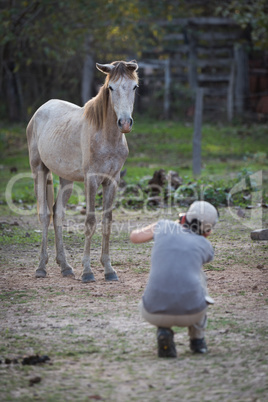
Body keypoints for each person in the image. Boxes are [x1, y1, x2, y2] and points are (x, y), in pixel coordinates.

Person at [130, 200, 218, 358]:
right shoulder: (205, 245)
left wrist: (165, 225)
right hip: (193, 313)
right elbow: (201, 254)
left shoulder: (164, 226)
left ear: (185, 216)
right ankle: (197, 340)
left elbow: (135, 237)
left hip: (152, 311)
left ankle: (163, 329)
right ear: (208, 229)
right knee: (197, 275)